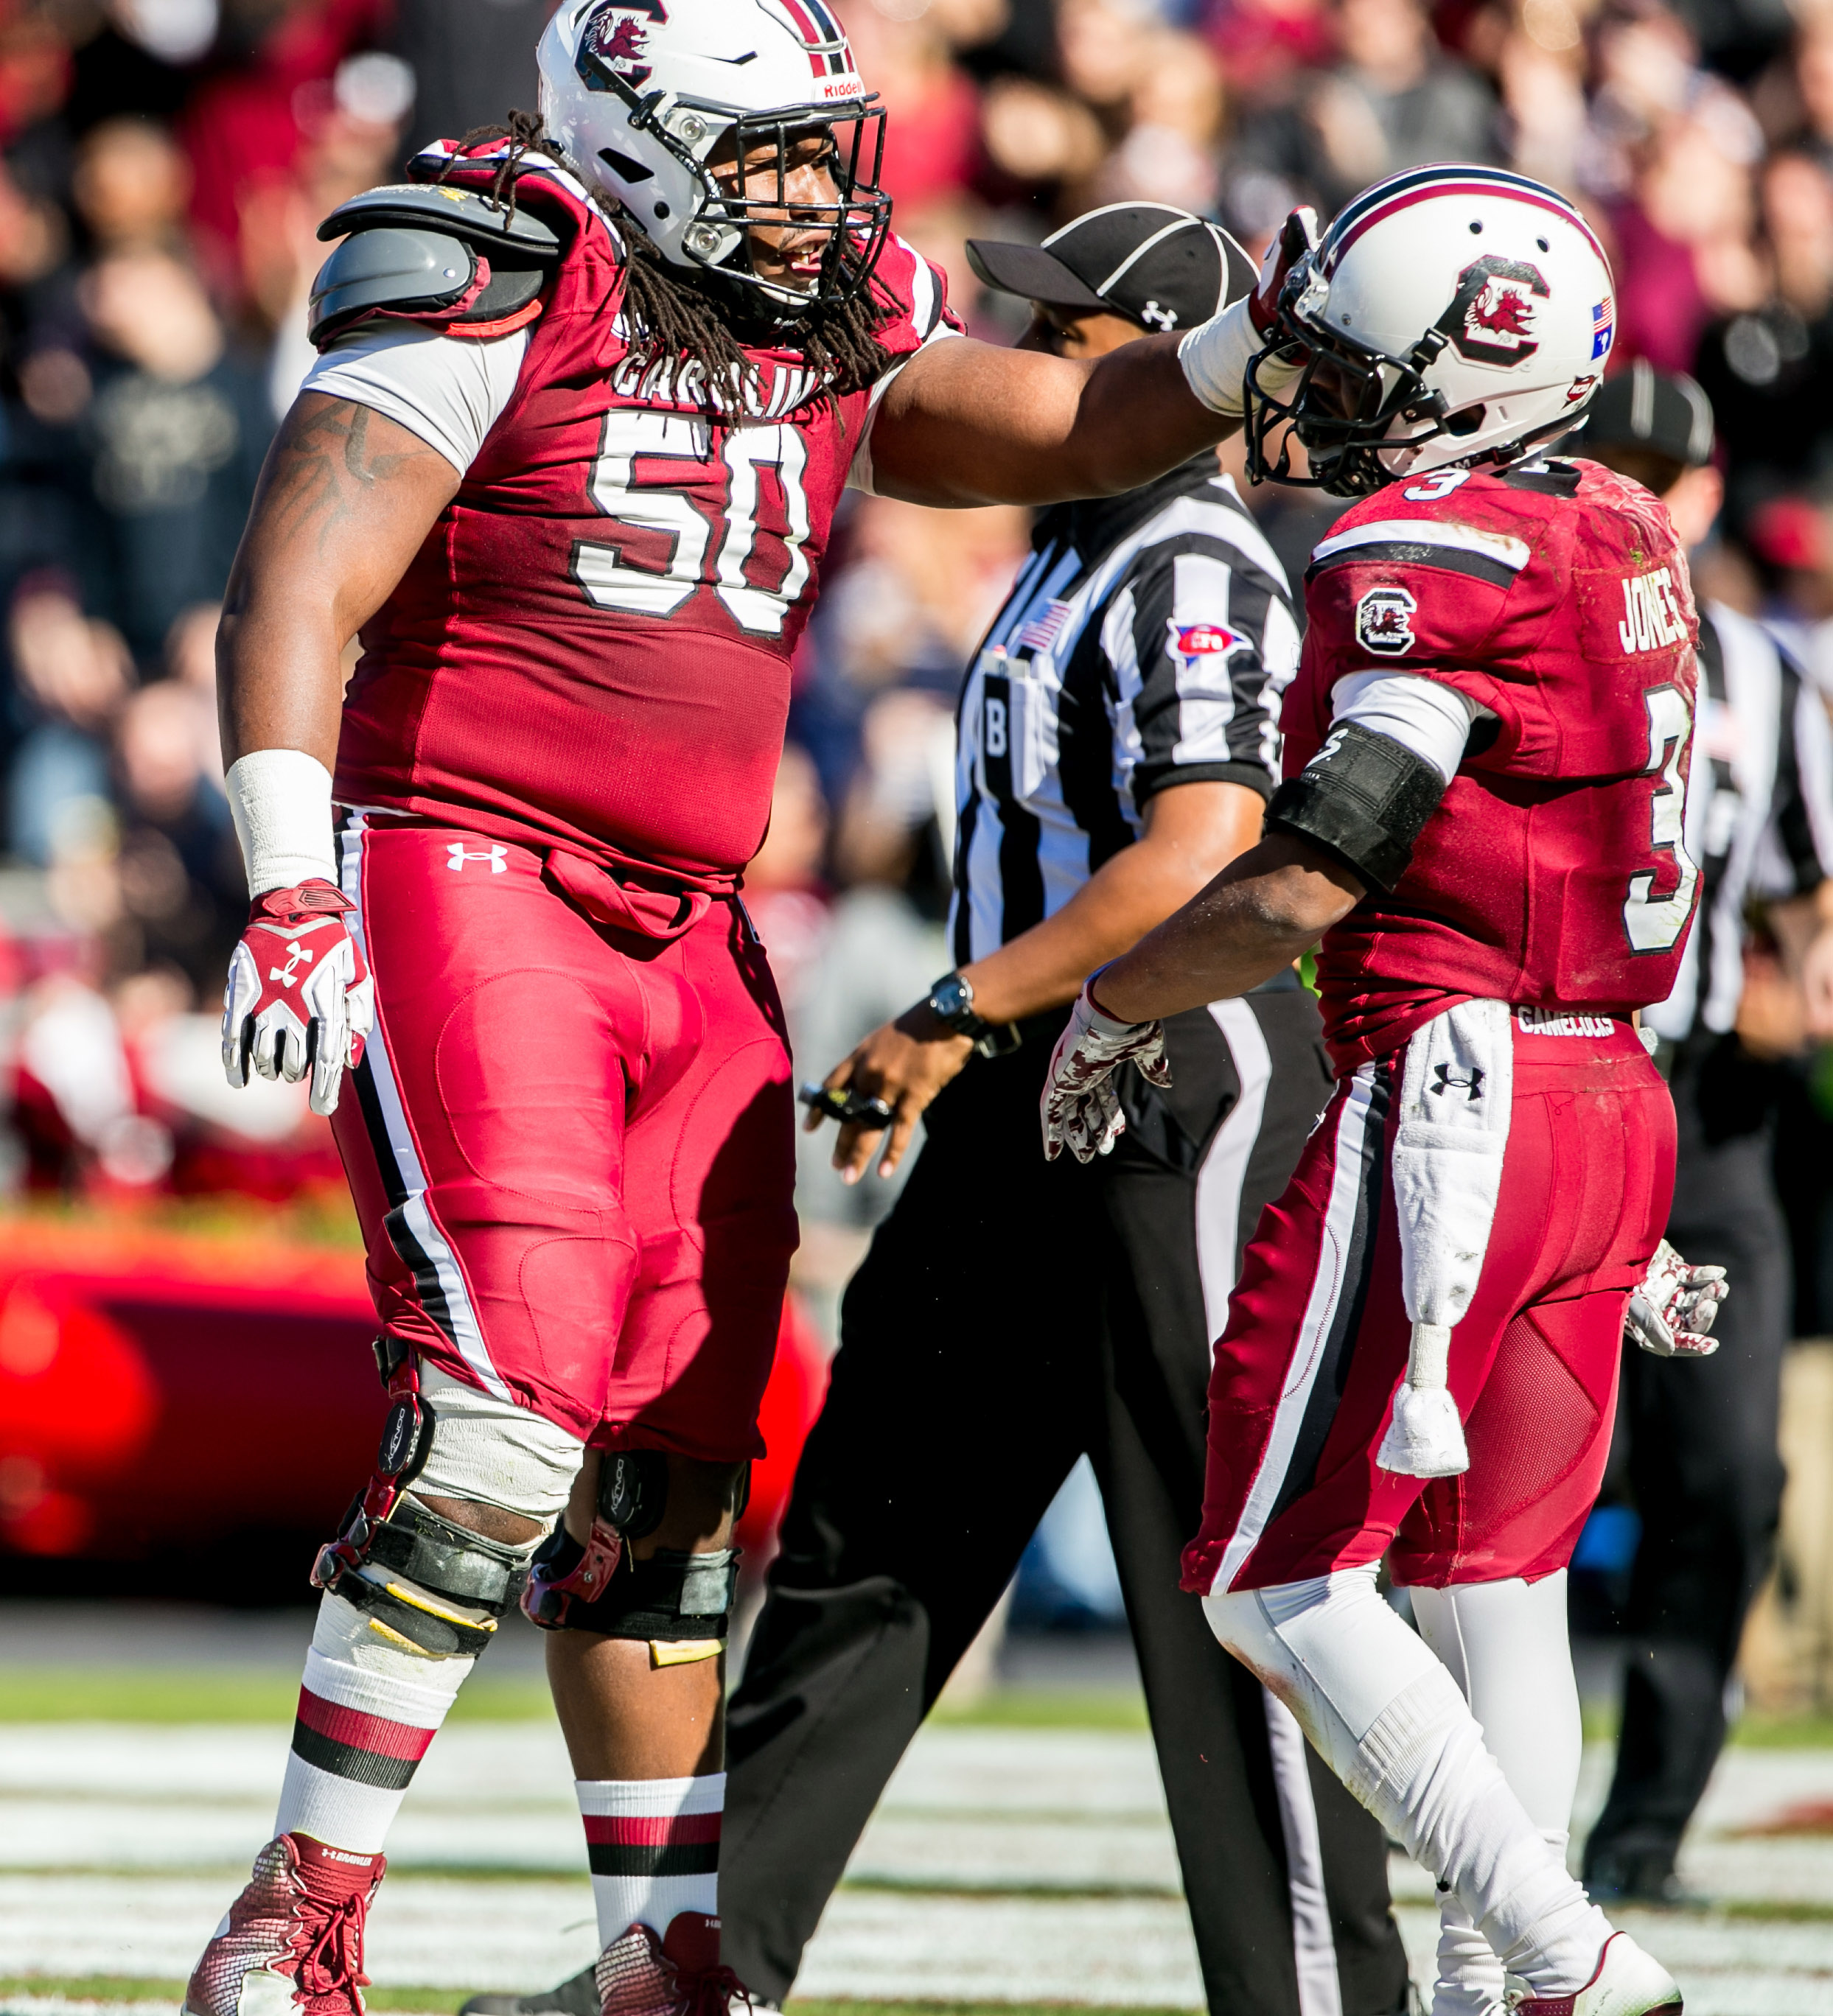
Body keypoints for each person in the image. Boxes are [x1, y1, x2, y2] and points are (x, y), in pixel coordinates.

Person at [182, 1, 1326, 2011]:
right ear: (639, 139)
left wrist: (1247, 353)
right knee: (500, 1418)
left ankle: (663, 1952)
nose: (821, 193)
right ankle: (298, 1909)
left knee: (676, 1464)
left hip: (693, 922)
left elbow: (1067, 429)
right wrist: (286, 880)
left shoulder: (821, 308)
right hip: (473, 864)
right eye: (778, 152)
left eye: (823, 149)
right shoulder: (503, 259)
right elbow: (297, 577)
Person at [469, 201, 1413, 2016]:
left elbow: (1200, 850)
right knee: (864, 1540)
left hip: (1169, 1088)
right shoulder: (1071, 546)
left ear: (1146, 350)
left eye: (1051, 327)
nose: (1009, 352)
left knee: (1222, 1580)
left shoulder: (1194, 556)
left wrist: (957, 1003)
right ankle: (698, 1967)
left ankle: (1323, 2002)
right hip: (1024, 1091)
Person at [1043, 163, 1731, 2016]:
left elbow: (1323, 856)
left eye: (1357, 362)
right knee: (1490, 1583)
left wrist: (1114, 1003)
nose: (1320, 396)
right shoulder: (1617, 518)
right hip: (1605, 1091)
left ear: (1473, 364)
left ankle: (1553, 1952)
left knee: (1268, 1583)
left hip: (1457, 1085)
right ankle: (1485, 1994)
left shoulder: (1423, 556)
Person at [1575, 363, 1833, 1904]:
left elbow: (1805, 888)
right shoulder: (1507, 613)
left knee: (1726, 1473)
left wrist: (1791, 987)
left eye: (1660, 474)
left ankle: (1644, 1830)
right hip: (1550, 1073)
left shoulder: (1767, 672)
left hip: (1709, 1122)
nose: (1637, 500)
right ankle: (1446, 1793)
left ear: (1705, 489)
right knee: (1481, 1453)